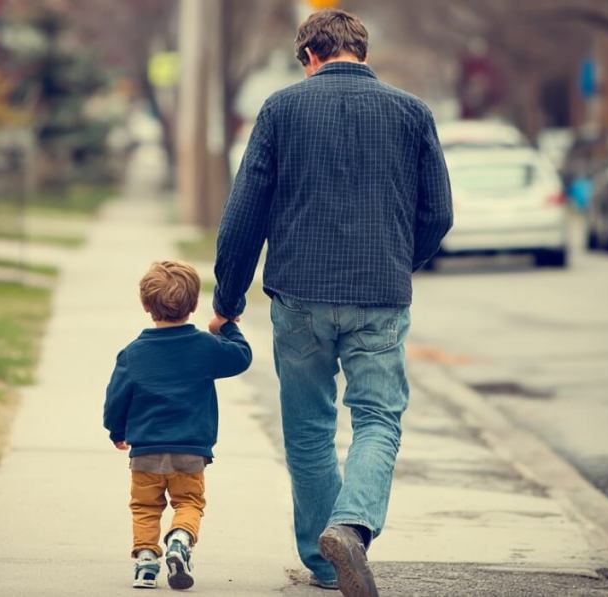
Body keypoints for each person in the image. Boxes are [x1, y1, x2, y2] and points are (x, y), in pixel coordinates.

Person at [210, 8, 453, 597]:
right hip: (380, 296)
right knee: (377, 419)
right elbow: (438, 214)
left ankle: (324, 563)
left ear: (309, 58)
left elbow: (246, 212)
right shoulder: (413, 113)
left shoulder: (281, 109)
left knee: (308, 428)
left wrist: (228, 297)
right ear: (361, 53)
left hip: (299, 297)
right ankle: (351, 527)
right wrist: (398, 262)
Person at [104, 260, 253, 590]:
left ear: (146, 305)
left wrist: (117, 430)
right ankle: (180, 540)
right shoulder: (205, 346)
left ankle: (145, 565)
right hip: (190, 450)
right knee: (188, 504)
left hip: (145, 452)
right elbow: (242, 356)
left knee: (145, 507)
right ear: (195, 304)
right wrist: (227, 326)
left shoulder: (132, 354)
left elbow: (116, 398)